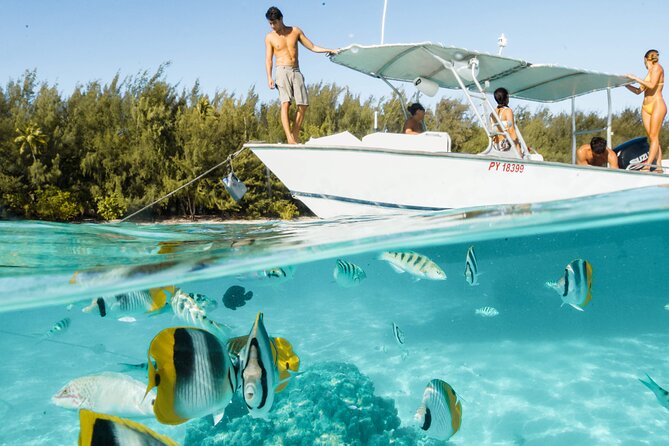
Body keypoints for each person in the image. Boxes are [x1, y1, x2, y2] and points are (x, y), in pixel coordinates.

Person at [264, 6, 337, 144]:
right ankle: (290, 139)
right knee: (285, 103)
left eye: (275, 22)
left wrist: (330, 49)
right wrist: (269, 77)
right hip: (281, 70)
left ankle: (295, 135)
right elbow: (268, 59)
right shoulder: (270, 37)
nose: (272, 26)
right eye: (270, 23)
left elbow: (312, 46)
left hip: (296, 70)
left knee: (303, 104)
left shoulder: (295, 31)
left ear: (281, 19)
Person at [625, 49, 665, 172]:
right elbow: (638, 91)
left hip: (657, 104)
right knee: (652, 137)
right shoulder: (648, 74)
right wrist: (626, 84)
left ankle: (648, 165)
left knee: (654, 136)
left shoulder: (658, 68)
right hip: (645, 107)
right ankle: (658, 165)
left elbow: (652, 85)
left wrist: (635, 78)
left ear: (645, 59)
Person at [490, 87, 523, 158]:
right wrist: (518, 149)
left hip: (496, 145)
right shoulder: (507, 111)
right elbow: (511, 130)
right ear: (506, 98)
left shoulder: (492, 113)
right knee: (523, 151)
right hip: (505, 145)